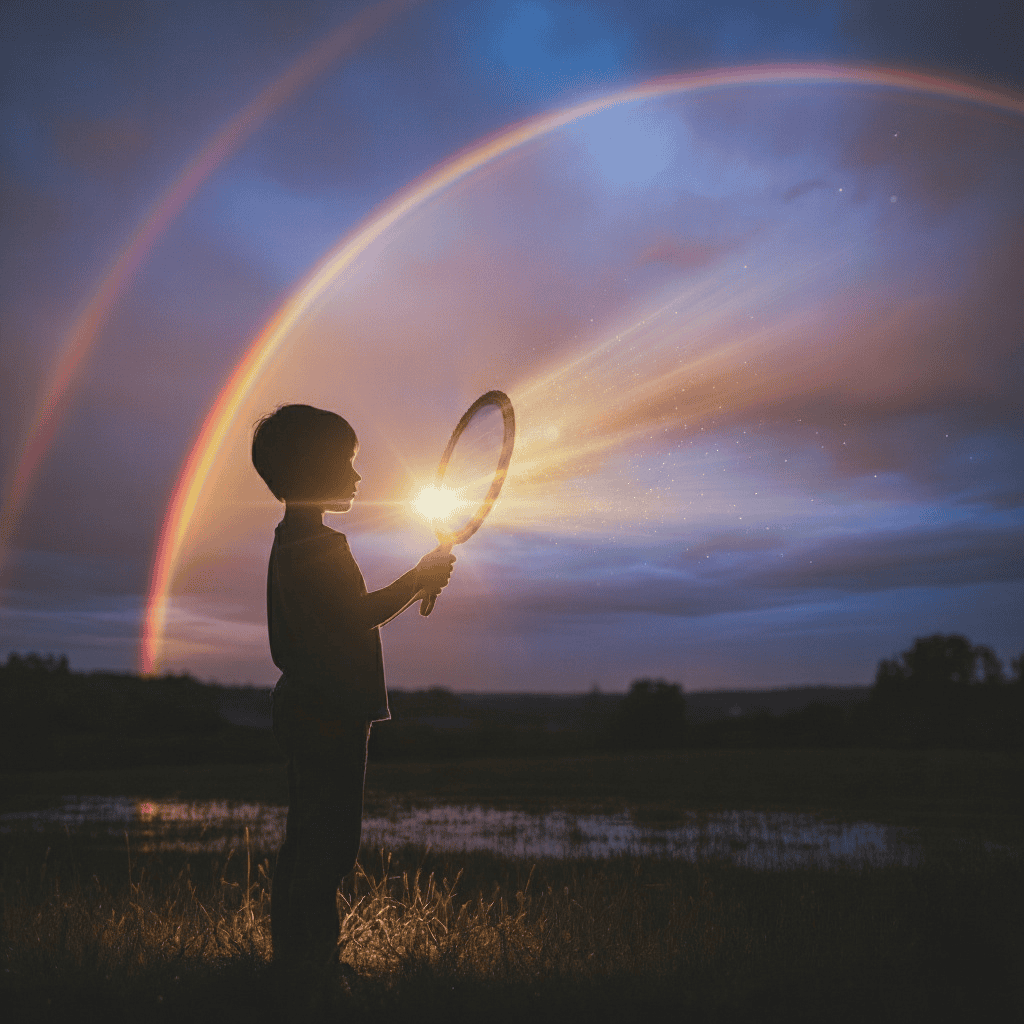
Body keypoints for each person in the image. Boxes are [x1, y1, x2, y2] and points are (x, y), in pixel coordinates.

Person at [251, 403, 455, 998]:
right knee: (331, 845)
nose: (358, 476)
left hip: (307, 708)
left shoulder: (291, 538)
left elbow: (347, 619)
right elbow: (356, 618)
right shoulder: (318, 546)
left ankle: (296, 965)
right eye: (346, 462)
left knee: (307, 841)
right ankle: (312, 971)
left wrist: (415, 579)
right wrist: (417, 578)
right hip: (330, 712)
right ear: (312, 468)